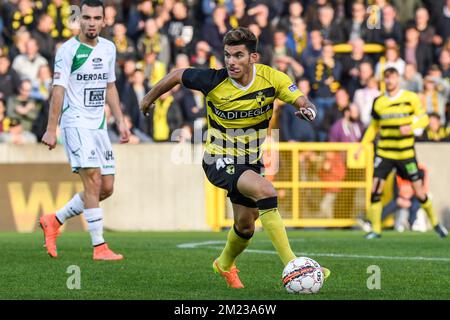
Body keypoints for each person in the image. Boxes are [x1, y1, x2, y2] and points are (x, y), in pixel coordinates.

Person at [140, 27, 330, 288]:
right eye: (228, 55)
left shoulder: (272, 79)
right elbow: (176, 75)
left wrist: (307, 109)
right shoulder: (213, 80)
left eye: (238, 55)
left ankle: (224, 264)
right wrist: (148, 99)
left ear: (254, 57)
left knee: (246, 224)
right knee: (265, 190)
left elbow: (300, 98)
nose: (231, 61)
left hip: (250, 161)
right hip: (218, 158)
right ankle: (294, 265)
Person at [39, 0, 131, 260]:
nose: (91, 23)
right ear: (79, 20)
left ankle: (54, 220)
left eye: (96, 18)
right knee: (92, 180)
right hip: (75, 122)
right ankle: (99, 246)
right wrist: (51, 128)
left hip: (99, 124)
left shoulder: (109, 48)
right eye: (87, 18)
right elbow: (58, 89)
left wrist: (121, 121)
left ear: (104, 20)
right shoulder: (68, 50)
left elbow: (110, 86)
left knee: (106, 187)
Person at [355, 67, 448, 239]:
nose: (390, 81)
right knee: (375, 189)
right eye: (387, 78)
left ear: (398, 79)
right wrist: (361, 146)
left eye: (393, 78)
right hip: (385, 152)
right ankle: (376, 230)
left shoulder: (410, 98)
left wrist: (411, 127)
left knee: (419, 192)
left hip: (405, 153)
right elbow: (374, 127)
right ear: (384, 80)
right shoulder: (379, 101)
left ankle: (436, 224)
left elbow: (425, 118)